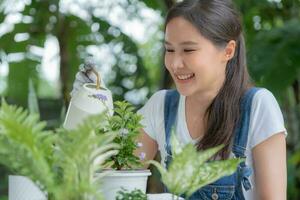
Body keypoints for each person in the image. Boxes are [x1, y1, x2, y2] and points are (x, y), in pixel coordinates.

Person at [71, 0, 287, 199]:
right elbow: (112, 181)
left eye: (188, 50)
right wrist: (92, 107)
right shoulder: (161, 106)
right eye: (169, 49)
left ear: (228, 51)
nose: (175, 63)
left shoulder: (257, 106)